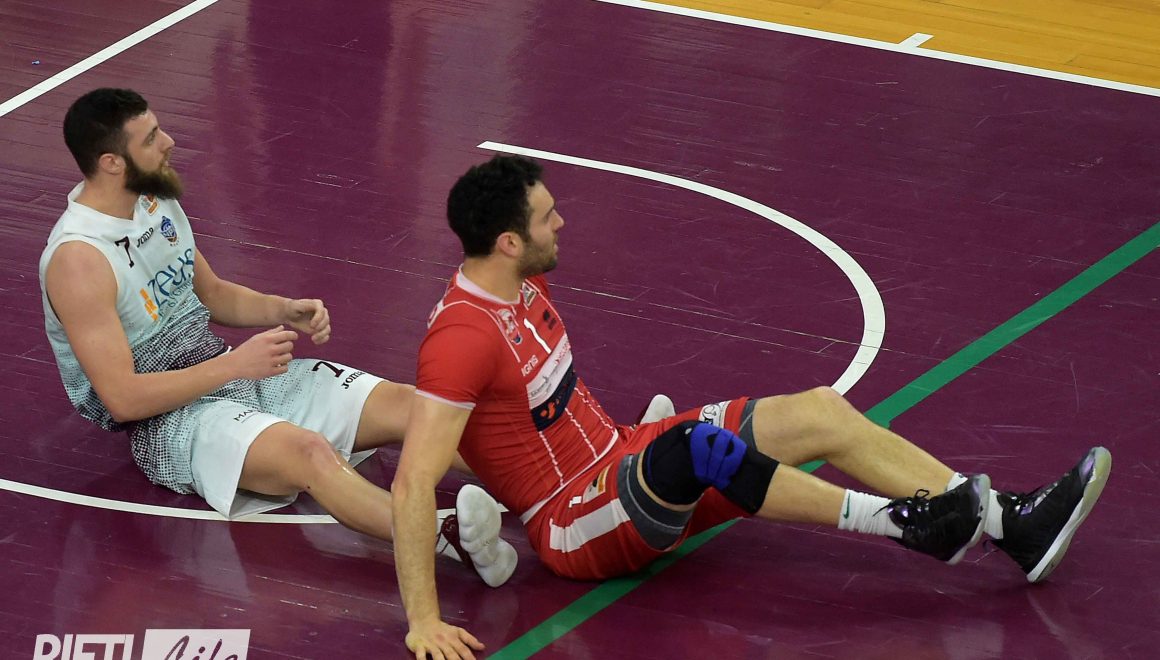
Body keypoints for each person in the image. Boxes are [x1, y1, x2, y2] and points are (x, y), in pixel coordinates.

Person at [390, 154, 1112, 659]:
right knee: (696, 450)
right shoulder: (460, 339)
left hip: (621, 455)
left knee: (821, 411)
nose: (563, 223)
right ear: (508, 241)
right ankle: (905, 523)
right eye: (548, 217)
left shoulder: (522, 281)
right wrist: (423, 619)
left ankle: (1014, 525)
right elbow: (414, 480)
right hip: (574, 520)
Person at [38, 88, 516, 588]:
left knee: (411, 405)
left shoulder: (153, 201)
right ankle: (446, 538)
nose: (169, 142)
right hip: (169, 423)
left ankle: (539, 488)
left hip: (225, 370)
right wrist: (233, 366)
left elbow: (212, 293)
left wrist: (283, 309)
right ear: (112, 162)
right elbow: (122, 399)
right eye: (152, 137)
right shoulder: (79, 260)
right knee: (310, 453)